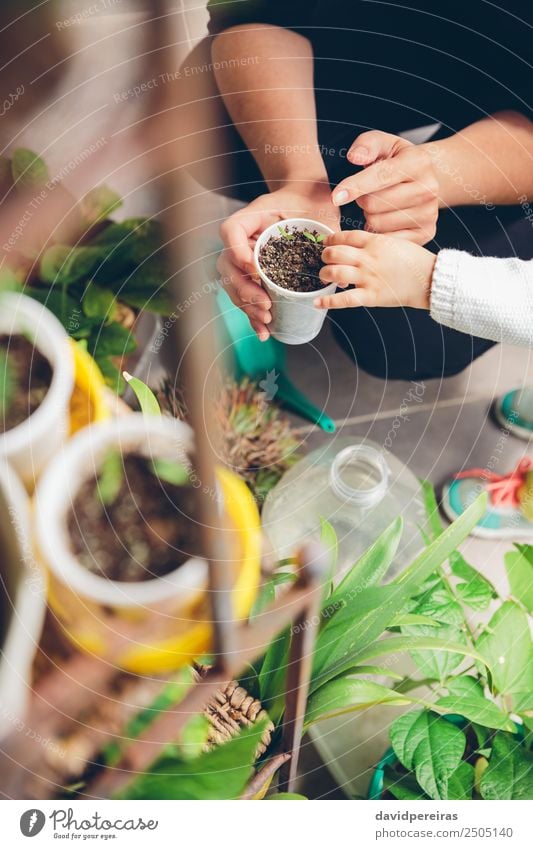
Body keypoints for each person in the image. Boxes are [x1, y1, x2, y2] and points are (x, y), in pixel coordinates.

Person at [193, 0, 533, 379]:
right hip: (419, 46)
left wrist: (438, 175)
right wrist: (301, 181)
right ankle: (354, 205)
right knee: (203, 123)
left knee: (406, 337)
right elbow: (252, 14)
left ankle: (372, 206)